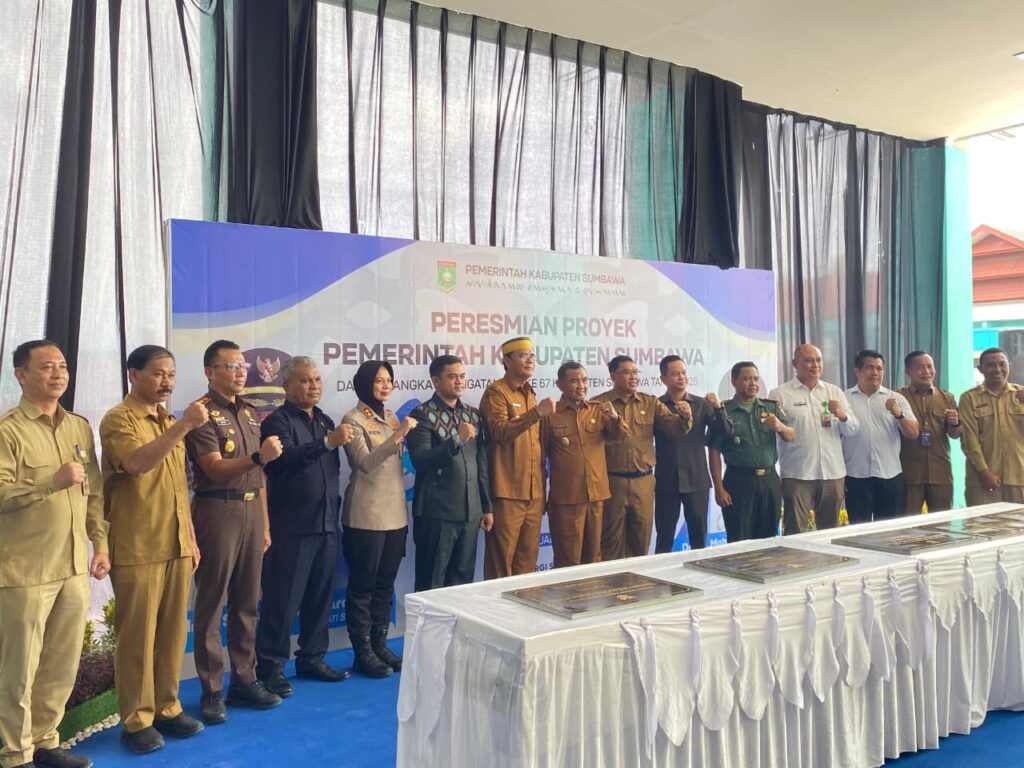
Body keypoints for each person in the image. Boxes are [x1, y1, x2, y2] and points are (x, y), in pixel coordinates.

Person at [0, 340, 108, 768]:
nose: (58, 373)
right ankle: (14, 754)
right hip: (24, 570)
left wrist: (100, 544)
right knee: (19, 669)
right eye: (46, 367)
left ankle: (46, 742)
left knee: (60, 664)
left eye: (62, 366)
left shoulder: (78, 426)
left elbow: (93, 492)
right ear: (21, 374)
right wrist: (51, 482)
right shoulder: (8, 430)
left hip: (73, 565)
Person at [100, 345, 205, 754]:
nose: (167, 382)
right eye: (159, 373)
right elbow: (136, 464)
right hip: (138, 544)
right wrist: (184, 427)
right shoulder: (119, 419)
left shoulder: (168, 420)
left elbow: (179, 487)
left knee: (172, 634)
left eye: (172, 374)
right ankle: (136, 720)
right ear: (133, 374)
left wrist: (191, 538)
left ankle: (167, 707)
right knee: (138, 639)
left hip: (176, 542)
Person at [185, 340, 283, 724]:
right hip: (217, 510)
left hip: (251, 510)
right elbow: (212, 467)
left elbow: (259, 475)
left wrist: (266, 524)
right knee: (212, 604)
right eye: (231, 366)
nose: (241, 372)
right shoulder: (201, 413)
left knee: (247, 602)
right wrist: (258, 456)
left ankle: (245, 679)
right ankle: (211, 689)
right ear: (209, 371)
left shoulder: (250, 412)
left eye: (243, 365)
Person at [256, 357, 354, 698]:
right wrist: (327, 443)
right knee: (282, 602)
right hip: (292, 527)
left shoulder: (324, 420)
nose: (313, 386)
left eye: (317, 380)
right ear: (286, 385)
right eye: (305, 380)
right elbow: (283, 462)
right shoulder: (276, 421)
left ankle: (312, 658)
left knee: (320, 598)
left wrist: (328, 441)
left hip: (326, 523)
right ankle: (270, 669)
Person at [341, 361, 416, 678]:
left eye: (389, 380)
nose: (386, 386)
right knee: (363, 587)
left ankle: (379, 644)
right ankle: (363, 653)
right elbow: (366, 462)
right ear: (364, 383)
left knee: (385, 585)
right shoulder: (353, 419)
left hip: (395, 514)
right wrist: (399, 434)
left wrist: (397, 429)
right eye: (379, 380)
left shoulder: (391, 416)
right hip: (366, 515)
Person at [593, 355, 691, 560]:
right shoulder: (599, 404)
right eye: (627, 372)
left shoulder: (650, 402)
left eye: (636, 372)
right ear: (613, 376)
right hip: (613, 482)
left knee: (641, 541)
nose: (633, 377)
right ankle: (613, 580)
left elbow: (675, 428)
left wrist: (685, 417)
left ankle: (637, 581)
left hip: (644, 482)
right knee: (610, 543)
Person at [408, 355, 492, 591]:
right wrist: (456, 440)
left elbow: (481, 463)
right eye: (452, 377)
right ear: (436, 380)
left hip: (470, 514)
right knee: (431, 584)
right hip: (437, 514)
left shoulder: (473, 415)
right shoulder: (422, 413)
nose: (459, 381)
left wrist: (486, 507)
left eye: (462, 376)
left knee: (462, 584)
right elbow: (421, 460)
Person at [479, 337, 555, 578]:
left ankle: (524, 604)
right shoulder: (496, 392)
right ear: (507, 360)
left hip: (534, 493)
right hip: (507, 493)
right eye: (523, 356)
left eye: (532, 356)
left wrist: (542, 490)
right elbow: (499, 433)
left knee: (527, 563)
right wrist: (536, 413)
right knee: (501, 564)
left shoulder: (530, 394)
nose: (530, 360)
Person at [540, 361, 624, 567]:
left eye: (584, 380)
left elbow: (621, 436)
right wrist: (541, 497)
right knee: (568, 560)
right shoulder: (550, 414)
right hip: (566, 499)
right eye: (574, 381)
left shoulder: (598, 410)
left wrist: (615, 418)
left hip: (596, 496)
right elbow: (539, 458)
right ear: (560, 385)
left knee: (594, 558)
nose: (581, 386)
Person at [769, 344, 859, 533]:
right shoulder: (780, 394)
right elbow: (776, 431)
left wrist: (843, 415)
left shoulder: (834, 392)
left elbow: (852, 430)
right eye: (809, 361)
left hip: (832, 473)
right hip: (797, 474)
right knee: (795, 532)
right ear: (795, 363)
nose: (815, 365)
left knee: (830, 532)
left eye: (818, 360)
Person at [654, 355, 733, 552]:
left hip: (697, 480)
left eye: (683, 373)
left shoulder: (701, 404)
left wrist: (718, 408)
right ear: (663, 378)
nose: (681, 377)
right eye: (675, 374)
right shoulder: (656, 406)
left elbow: (725, 433)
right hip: (666, 480)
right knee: (664, 538)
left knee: (699, 539)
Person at [708, 361, 795, 542]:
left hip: (769, 480)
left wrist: (780, 426)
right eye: (747, 379)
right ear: (734, 381)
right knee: (739, 537)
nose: (753, 383)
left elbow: (791, 436)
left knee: (768, 539)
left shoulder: (770, 407)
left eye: (756, 379)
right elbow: (714, 451)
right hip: (738, 481)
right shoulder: (724, 411)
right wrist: (719, 488)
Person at [841, 351, 919, 524]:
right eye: (870, 368)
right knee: (858, 531)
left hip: (889, 475)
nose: (875, 373)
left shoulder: (896, 399)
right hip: (856, 476)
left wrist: (899, 415)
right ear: (857, 371)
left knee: (890, 530)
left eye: (879, 368)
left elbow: (913, 433)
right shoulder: (844, 399)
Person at [897, 351, 961, 513]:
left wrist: (955, 423)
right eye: (920, 367)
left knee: (942, 521)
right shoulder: (898, 397)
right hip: (909, 472)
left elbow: (955, 435)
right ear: (908, 371)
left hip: (940, 471)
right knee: (908, 521)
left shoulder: (947, 397)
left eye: (930, 367)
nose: (926, 371)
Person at [959, 347, 1024, 505]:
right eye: (991, 365)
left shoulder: (1021, 395)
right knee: (983, 521)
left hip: (1019, 476)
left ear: (1009, 366)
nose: (998, 369)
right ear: (980, 368)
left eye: (1002, 364)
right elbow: (969, 440)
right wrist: (984, 471)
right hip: (983, 481)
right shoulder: (969, 398)